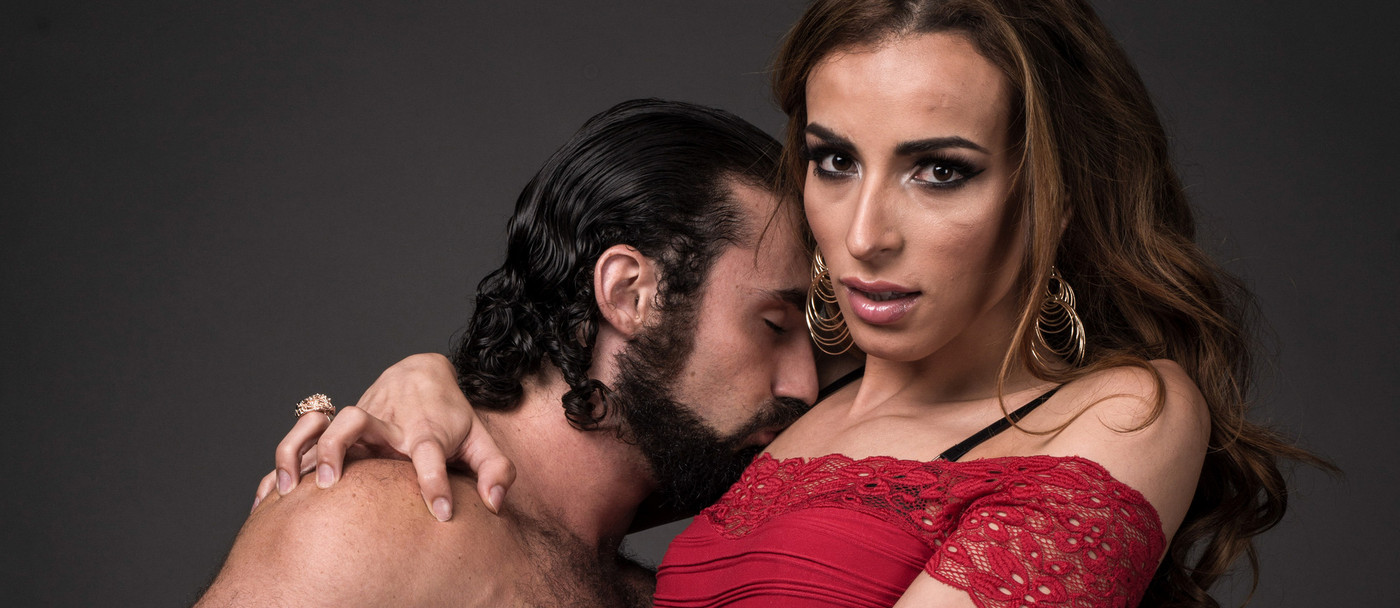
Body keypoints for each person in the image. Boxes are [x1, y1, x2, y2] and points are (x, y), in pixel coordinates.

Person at [267, 1, 1327, 606]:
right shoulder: (785, 413)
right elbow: (562, 512)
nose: (862, 232)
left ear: (1051, 188)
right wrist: (431, 384)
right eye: (833, 159)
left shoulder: (1122, 409)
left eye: (940, 170)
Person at [197, 99, 822, 607]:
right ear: (629, 294)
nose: (806, 385)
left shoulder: (633, 583)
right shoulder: (374, 522)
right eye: (774, 325)